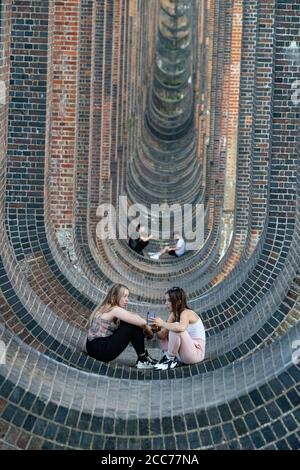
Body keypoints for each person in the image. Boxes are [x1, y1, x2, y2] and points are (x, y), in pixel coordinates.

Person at [86, 284, 157, 369]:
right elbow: (142, 323)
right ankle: (142, 359)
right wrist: (149, 331)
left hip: (91, 347)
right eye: (124, 296)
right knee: (132, 325)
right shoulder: (115, 309)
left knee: (129, 322)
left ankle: (144, 356)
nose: (127, 300)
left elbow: (133, 316)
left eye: (128, 296)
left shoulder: (105, 307)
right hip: (101, 350)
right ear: (115, 296)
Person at [150, 287, 205, 370]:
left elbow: (181, 327)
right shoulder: (174, 314)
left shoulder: (186, 313)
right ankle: (169, 358)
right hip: (182, 355)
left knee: (175, 326)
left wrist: (163, 323)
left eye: (169, 300)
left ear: (178, 302)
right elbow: (162, 335)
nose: (166, 303)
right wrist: (156, 329)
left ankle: (169, 359)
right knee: (169, 329)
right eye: (166, 300)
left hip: (195, 354)